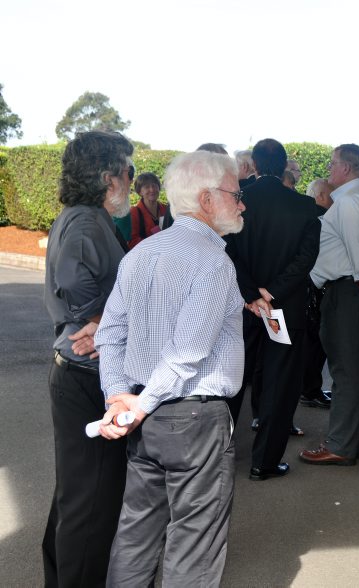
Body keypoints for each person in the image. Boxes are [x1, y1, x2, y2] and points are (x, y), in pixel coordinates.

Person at [94, 149, 246, 585]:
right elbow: (187, 351)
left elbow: (110, 334)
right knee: (194, 546)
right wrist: (136, 403)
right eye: (236, 195)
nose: (242, 205)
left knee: (136, 534)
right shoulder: (213, 261)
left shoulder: (141, 253)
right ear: (206, 199)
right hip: (192, 418)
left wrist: (119, 397)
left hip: (146, 415)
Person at [41, 130, 133, 588]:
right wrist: (100, 320)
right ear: (107, 177)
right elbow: (73, 280)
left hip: (78, 373)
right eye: (128, 171)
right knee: (90, 503)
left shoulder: (83, 216)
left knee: (77, 496)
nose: (131, 180)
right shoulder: (85, 221)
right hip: (85, 374)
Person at [225, 138, 321, 480]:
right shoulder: (305, 206)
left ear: (254, 164)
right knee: (280, 385)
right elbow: (306, 259)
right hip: (286, 308)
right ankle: (263, 462)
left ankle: (217, 452)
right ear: (284, 166)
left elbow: (227, 251)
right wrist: (272, 292)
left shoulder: (238, 201)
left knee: (232, 379)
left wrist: (252, 294)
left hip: (242, 307)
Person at [300, 144, 359, 465]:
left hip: (348, 292)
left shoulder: (350, 201)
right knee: (357, 369)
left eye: (333, 162)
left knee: (346, 372)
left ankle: (341, 444)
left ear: (346, 168)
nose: (329, 168)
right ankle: (355, 439)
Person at [299, 178, 335, 410]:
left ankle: (309, 388)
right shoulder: (323, 221)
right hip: (315, 288)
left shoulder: (306, 218)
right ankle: (309, 390)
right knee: (315, 343)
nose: (336, 200)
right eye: (333, 195)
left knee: (311, 343)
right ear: (321, 196)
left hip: (306, 287)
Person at [128, 172, 167, 249]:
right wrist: (156, 244)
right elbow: (132, 242)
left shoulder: (166, 209)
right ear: (140, 192)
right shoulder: (134, 212)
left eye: (154, 186)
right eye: (147, 187)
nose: (152, 189)